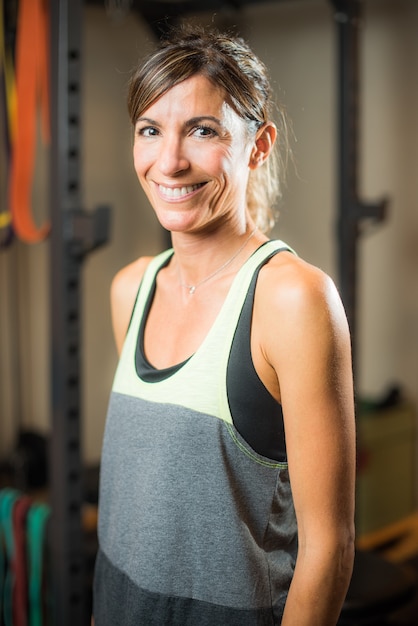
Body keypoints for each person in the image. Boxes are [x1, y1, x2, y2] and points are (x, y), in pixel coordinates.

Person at [93, 24, 356, 626]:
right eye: (150, 130)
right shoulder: (130, 288)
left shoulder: (293, 299)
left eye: (202, 130)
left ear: (258, 145)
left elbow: (329, 548)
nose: (170, 161)